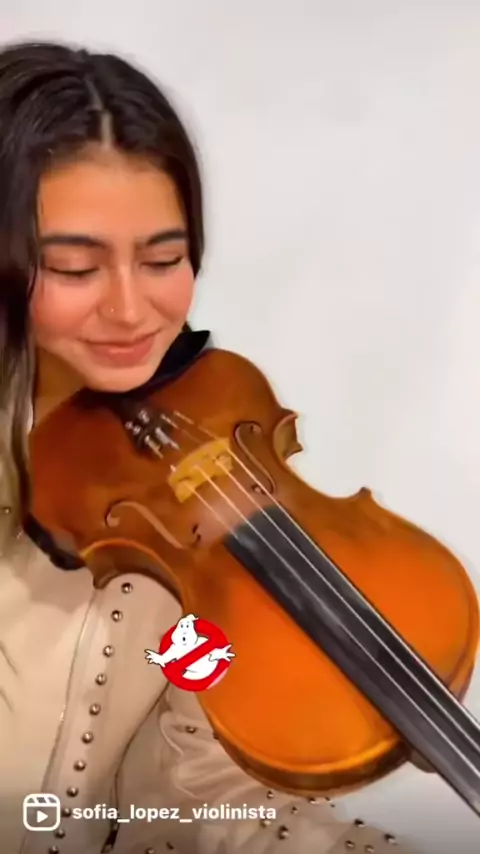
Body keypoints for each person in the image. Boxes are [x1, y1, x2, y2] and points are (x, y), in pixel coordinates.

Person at [0, 40, 420, 854]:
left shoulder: (188, 500)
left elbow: (198, 806)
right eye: (77, 268)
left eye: (164, 259)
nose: (133, 311)